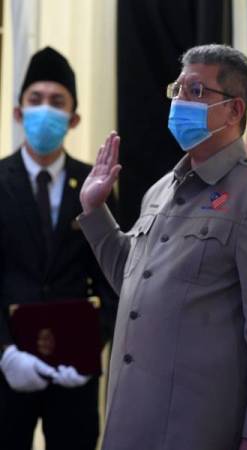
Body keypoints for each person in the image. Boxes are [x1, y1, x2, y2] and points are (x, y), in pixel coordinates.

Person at [77, 44, 247, 450]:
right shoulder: (161, 190)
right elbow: (133, 282)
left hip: (196, 426)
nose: (180, 101)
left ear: (234, 110)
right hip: (131, 421)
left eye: (196, 91)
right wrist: (94, 211)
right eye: (177, 89)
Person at [0, 47, 118, 450]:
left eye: (57, 101)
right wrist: (4, 352)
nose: (45, 110)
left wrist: (92, 348)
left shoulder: (95, 183)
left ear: (74, 118)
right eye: (35, 100)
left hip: (74, 366)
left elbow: (112, 276)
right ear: (18, 112)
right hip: (8, 361)